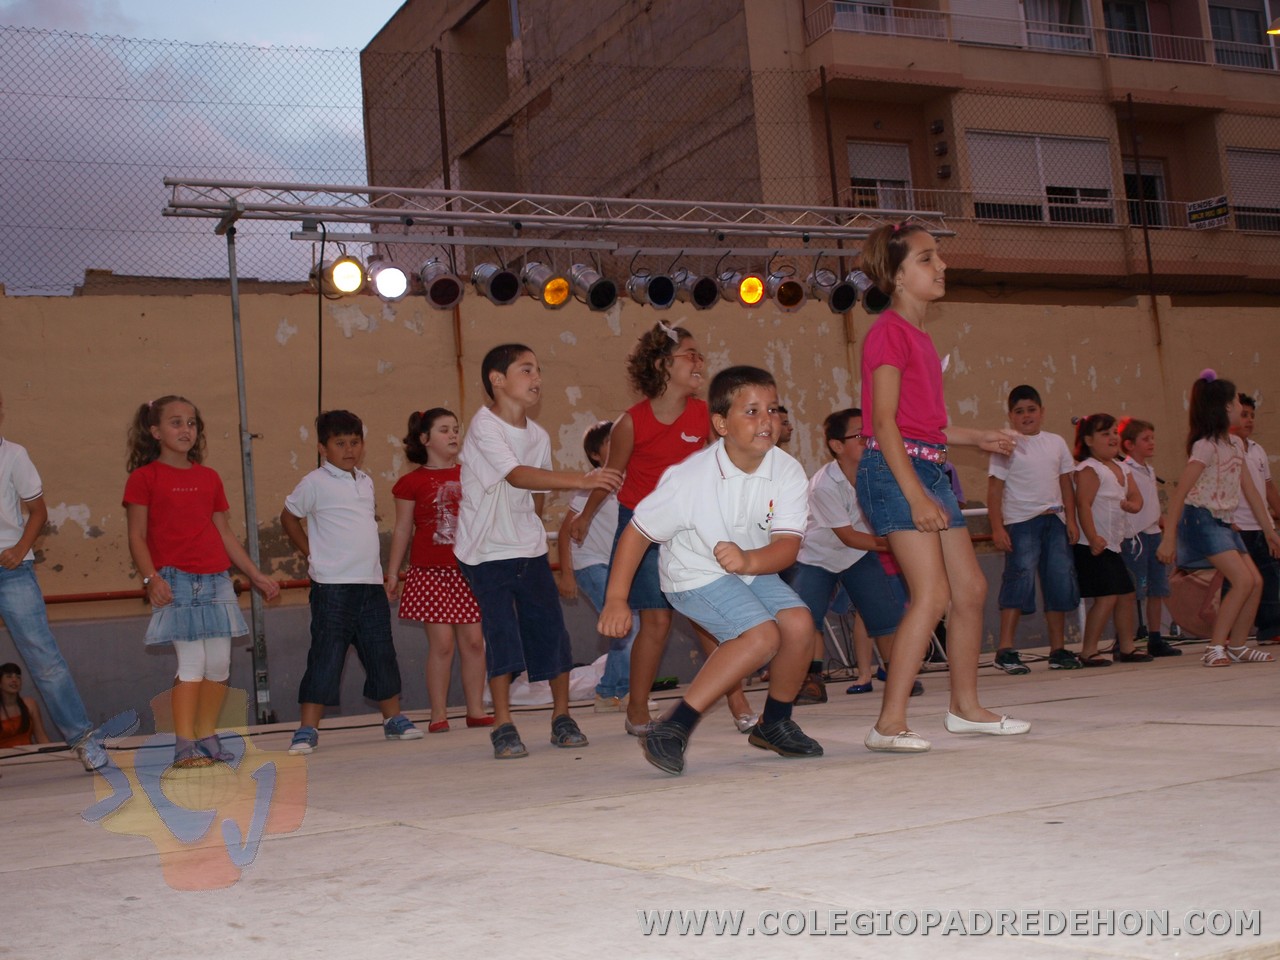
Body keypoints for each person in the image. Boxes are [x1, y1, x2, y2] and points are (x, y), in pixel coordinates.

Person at [854, 221, 1030, 754]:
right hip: (895, 473)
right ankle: (888, 723)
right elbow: (883, 424)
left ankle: (966, 708)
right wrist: (914, 496)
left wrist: (983, 437)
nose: (942, 266)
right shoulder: (888, 332)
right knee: (931, 595)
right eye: (928, 259)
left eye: (939, 257)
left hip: (927, 468)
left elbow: (927, 425)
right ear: (899, 275)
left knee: (970, 590)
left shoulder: (921, 338)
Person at [599, 365, 822, 776]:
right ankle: (673, 727)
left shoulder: (787, 470)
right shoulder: (690, 478)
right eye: (751, 411)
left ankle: (774, 723)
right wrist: (615, 598)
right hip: (693, 574)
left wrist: (750, 560)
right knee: (761, 635)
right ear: (720, 423)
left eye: (773, 410)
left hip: (749, 570)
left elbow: (787, 546)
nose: (766, 421)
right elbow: (637, 532)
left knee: (798, 623)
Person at [569, 323, 756, 736]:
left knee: (710, 620)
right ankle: (637, 708)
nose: (699, 362)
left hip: (692, 530)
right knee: (656, 623)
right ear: (662, 364)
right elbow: (612, 475)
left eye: (700, 355)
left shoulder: (704, 416)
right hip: (643, 530)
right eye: (690, 354)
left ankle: (737, 698)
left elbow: (721, 468)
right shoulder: (631, 423)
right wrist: (584, 517)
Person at [455, 344, 622, 759]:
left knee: (551, 632)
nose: (537, 378)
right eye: (526, 369)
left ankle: (562, 716)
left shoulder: (539, 435)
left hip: (526, 550)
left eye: (538, 370)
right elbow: (516, 476)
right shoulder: (483, 427)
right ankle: (503, 724)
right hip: (485, 552)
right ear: (497, 379)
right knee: (501, 636)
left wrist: (530, 533)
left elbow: (535, 497)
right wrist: (584, 480)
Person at [124, 394, 280, 767]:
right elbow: (136, 535)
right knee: (191, 665)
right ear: (155, 430)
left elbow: (224, 534)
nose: (186, 429)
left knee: (220, 666)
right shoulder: (144, 478)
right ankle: (183, 744)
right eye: (176, 422)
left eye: (192, 423)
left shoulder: (208, 478)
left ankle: (207, 734)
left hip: (217, 581)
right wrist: (152, 578)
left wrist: (255, 575)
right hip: (176, 582)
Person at [281, 409, 421, 755]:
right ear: (322, 448)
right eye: (340, 443)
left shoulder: (366, 481)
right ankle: (307, 729)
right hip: (333, 587)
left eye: (355, 442)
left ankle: (393, 718)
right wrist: (311, 553)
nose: (349, 450)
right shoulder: (314, 483)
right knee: (327, 654)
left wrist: (383, 574)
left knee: (380, 651)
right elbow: (289, 517)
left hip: (370, 585)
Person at [0, 390, 106, 772]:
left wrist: (20, 548)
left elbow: (38, 511)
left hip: (11, 570)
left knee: (45, 660)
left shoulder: (14, 455)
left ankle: (83, 739)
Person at [782, 408, 918, 701]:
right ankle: (810, 679)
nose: (869, 441)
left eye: (871, 434)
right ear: (837, 445)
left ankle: (898, 674)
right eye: (860, 436)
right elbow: (848, 536)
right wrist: (896, 544)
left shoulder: (881, 472)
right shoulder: (824, 485)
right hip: (818, 557)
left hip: (859, 555)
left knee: (885, 616)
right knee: (807, 619)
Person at [1157, 371, 1280, 667]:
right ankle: (1216, 646)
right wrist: (1169, 537)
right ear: (1225, 407)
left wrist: (1270, 531)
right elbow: (1180, 494)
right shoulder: (1205, 446)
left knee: (1255, 581)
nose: (1241, 406)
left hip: (1224, 523)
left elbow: (1251, 491)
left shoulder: (1236, 445)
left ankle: (1238, 645)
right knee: (1241, 580)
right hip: (1201, 520)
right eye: (1237, 401)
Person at [385, 407, 491, 733]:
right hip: (430, 571)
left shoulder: (472, 473)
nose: (453, 435)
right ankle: (439, 713)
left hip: (469, 569)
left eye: (456, 429)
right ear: (424, 438)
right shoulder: (410, 483)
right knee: (442, 643)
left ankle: (475, 709)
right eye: (444, 430)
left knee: (474, 642)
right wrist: (392, 572)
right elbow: (403, 529)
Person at [988, 385, 1082, 674]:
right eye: (1019, 411)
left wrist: (1072, 520)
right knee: (1019, 579)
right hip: (1020, 523)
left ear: (1042, 412)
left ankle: (1058, 649)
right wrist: (997, 527)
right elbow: (994, 489)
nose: (1026, 416)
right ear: (1010, 416)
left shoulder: (1056, 443)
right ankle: (1005, 650)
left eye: (1031, 410)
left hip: (1055, 521)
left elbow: (1066, 483)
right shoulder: (1006, 444)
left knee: (1058, 581)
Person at [556, 420, 639, 712]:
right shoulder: (596, 479)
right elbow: (566, 529)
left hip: (617, 566)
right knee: (628, 625)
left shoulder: (634, 479)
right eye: (611, 444)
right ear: (595, 454)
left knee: (628, 626)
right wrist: (567, 574)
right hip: (590, 562)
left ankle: (615, 693)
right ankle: (612, 692)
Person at [1070, 414, 1152, 666]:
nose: (1113, 437)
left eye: (1115, 432)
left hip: (1114, 544)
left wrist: (1133, 505)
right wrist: (1093, 536)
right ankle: (1088, 651)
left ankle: (1127, 647)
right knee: (1106, 597)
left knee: (1126, 594)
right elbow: (1083, 504)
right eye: (1105, 434)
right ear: (1088, 440)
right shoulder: (1089, 469)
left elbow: (1137, 497)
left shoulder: (1123, 468)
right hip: (1092, 545)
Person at [1118, 417, 1181, 657]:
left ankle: (1155, 637)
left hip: (1154, 534)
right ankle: (1124, 639)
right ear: (1129, 444)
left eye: (1152, 438)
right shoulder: (1125, 470)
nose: (1151, 443)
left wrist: (1164, 526)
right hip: (1135, 537)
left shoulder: (1149, 470)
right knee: (1134, 590)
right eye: (1145, 439)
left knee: (1158, 589)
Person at [1226, 394, 1280, 645]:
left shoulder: (1257, 450)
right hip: (1237, 525)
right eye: (1243, 414)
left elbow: (1268, 488)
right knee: (1236, 580)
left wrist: (1274, 519)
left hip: (1261, 526)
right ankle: (1226, 633)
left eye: (1252, 416)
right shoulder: (1224, 448)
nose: (1248, 420)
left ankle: (1269, 629)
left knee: (1269, 578)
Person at [0, 662, 49, 747]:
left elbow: (41, 737)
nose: (14, 680)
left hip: (28, 756)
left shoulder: (30, 704)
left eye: (18, 677)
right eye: (9, 676)